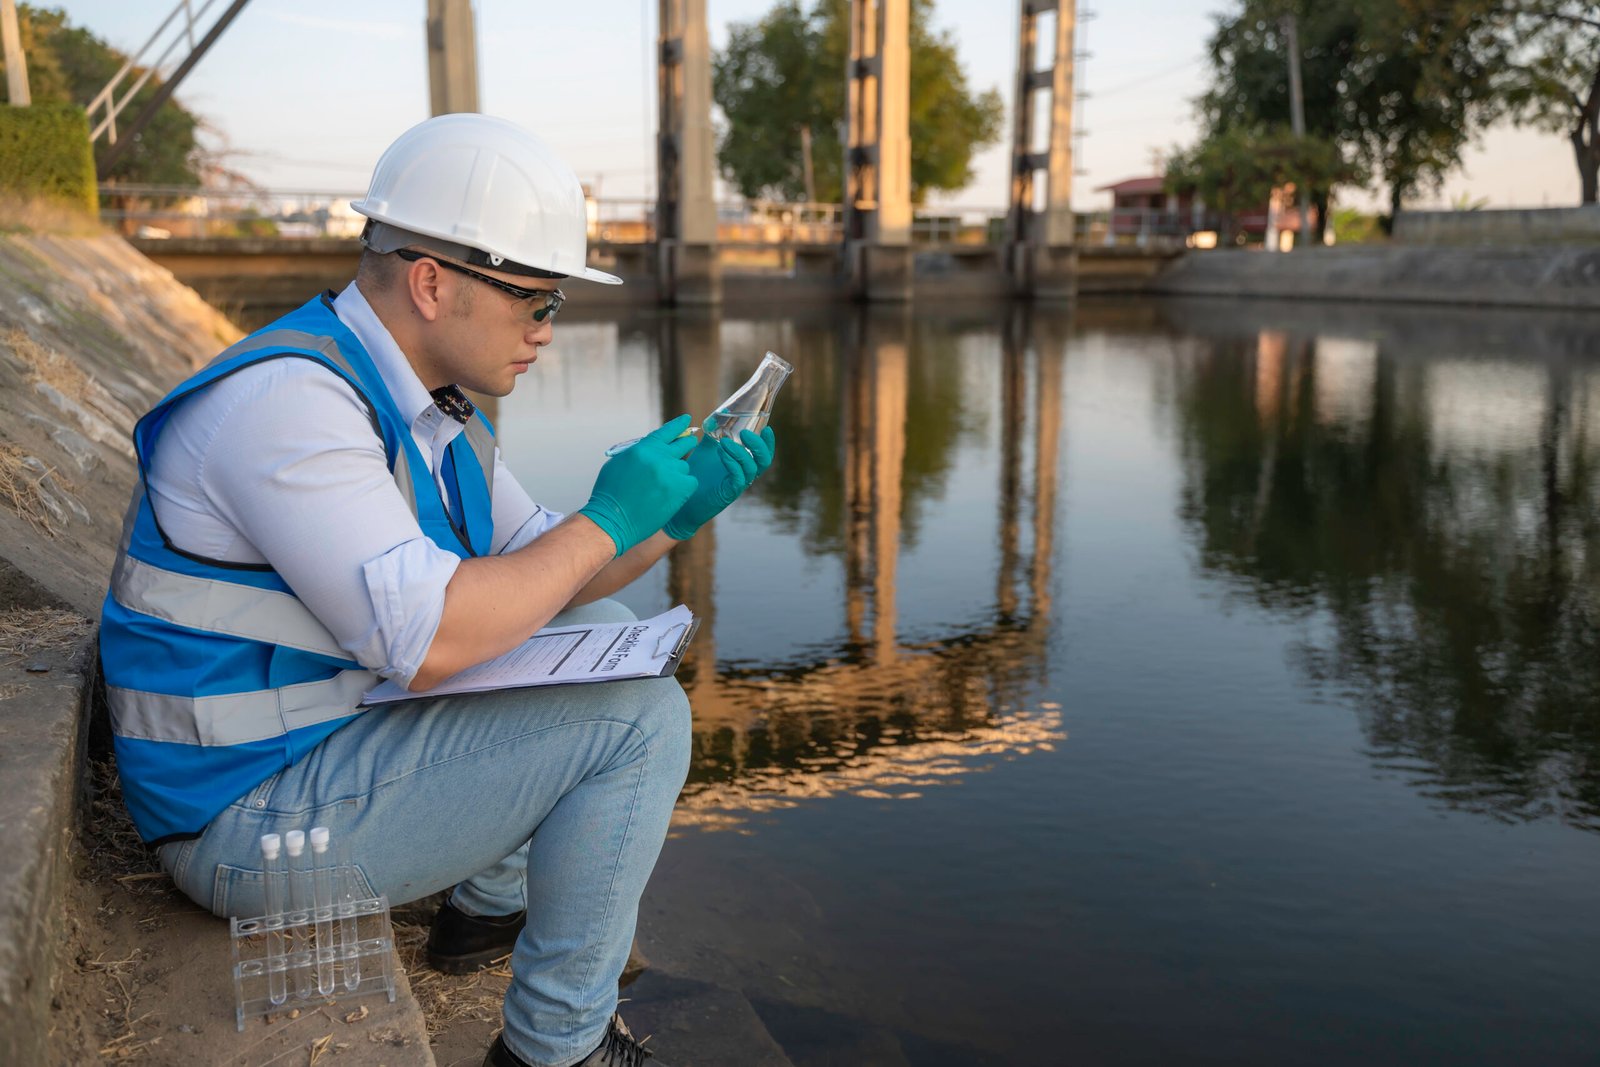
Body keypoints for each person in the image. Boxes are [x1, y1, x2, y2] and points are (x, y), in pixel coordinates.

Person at [97, 113, 775, 1067]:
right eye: (536, 302)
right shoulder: (293, 405)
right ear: (430, 282)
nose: (547, 330)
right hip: (237, 821)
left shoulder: (424, 410)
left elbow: (553, 566)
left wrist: (671, 514)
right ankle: (559, 1049)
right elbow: (431, 641)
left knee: (600, 620)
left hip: (316, 749)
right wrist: (608, 517)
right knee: (641, 718)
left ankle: (481, 910)